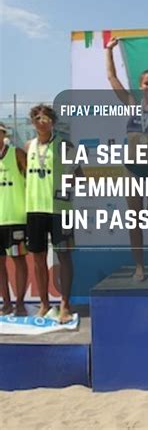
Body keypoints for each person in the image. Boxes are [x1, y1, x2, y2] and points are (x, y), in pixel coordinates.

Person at [106, 37, 148, 281]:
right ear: (140, 85)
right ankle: (139, 267)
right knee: (135, 220)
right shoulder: (131, 103)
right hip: (132, 168)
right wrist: (109, 51)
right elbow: (112, 79)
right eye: (145, 83)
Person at [25, 105, 80, 322]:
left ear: (53, 122)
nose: (41, 121)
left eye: (46, 118)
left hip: (60, 210)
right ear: (33, 122)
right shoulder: (28, 146)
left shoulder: (65, 145)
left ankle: (65, 304)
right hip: (35, 210)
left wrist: (63, 187)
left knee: (64, 257)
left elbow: (79, 175)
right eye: (37, 118)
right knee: (38, 258)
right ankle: (45, 304)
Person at [0, 122, 28, 316]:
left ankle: (19, 303)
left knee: (18, 260)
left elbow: (33, 181)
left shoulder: (16, 153)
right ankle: (6, 303)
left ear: (3, 134)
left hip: (15, 218)